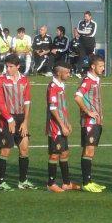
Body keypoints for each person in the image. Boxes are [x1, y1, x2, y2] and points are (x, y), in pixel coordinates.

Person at [0, 53, 34, 191]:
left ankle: (23, 181)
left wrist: (25, 122)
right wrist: (9, 119)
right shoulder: (1, 80)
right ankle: (0, 183)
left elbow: (27, 101)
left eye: (11, 66)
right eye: (7, 66)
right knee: (5, 151)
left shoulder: (25, 80)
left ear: (18, 66)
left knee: (24, 149)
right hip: (7, 119)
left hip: (21, 118)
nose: (8, 69)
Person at [74, 54, 106, 193]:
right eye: (100, 66)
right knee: (89, 150)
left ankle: (89, 180)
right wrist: (88, 112)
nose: (103, 68)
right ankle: (86, 182)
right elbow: (77, 97)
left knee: (90, 150)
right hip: (89, 121)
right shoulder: (87, 81)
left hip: (96, 121)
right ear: (93, 66)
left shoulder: (96, 79)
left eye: (103, 66)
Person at [46, 64, 76, 193]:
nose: (69, 74)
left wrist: (67, 122)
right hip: (55, 127)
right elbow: (53, 109)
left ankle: (66, 183)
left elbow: (62, 107)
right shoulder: (53, 87)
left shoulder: (60, 86)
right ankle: (51, 183)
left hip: (62, 125)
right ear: (59, 73)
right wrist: (62, 125)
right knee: (55, 154)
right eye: (67, 72)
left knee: (64, 153)